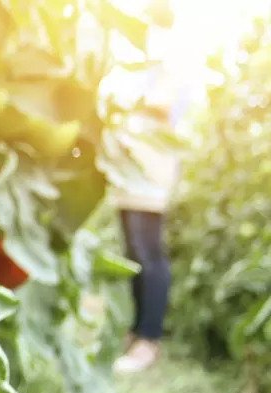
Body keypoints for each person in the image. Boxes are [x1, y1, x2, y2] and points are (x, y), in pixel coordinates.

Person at [111, 2, 184, 374]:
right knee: (136, 253)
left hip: (150, 173)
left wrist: (119, 104)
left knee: (149, 255)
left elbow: (160, 105)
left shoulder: (169, 62)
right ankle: (138, 331)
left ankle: (149, 339)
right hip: (130, 173)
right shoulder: (145, 65)